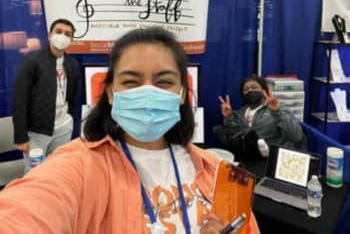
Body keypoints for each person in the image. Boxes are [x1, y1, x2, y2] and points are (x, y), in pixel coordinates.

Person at [0, 27, 260, 234]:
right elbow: (23, 213)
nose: (147, 91)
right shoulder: (77, 166)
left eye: (164, 82)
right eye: (131, 81)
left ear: (182, 94)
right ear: (111, 92)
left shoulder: (217, 171)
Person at [12, 18, 79, 172]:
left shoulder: (72, 64)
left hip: (63, 127)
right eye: (59, 32)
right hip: (38, 131)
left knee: (57, 171)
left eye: (67, 34)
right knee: (34, 173)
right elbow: (19, 99)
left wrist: (71, 120)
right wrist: (20, 137)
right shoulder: (33, 60)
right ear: (50, 35)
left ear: (71, 39)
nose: (62, 36)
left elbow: (74, 97)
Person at [213, 76, 303, 155]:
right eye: (246, 89)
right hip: (248, 156)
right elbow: (234, 133)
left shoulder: (278, 107)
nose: (250, 90)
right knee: (218, 129)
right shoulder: (240, 113)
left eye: (254, 87)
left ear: (264, 90)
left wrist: (277, 112)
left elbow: (296, 136)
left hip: (270, 158)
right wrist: (228, 117)